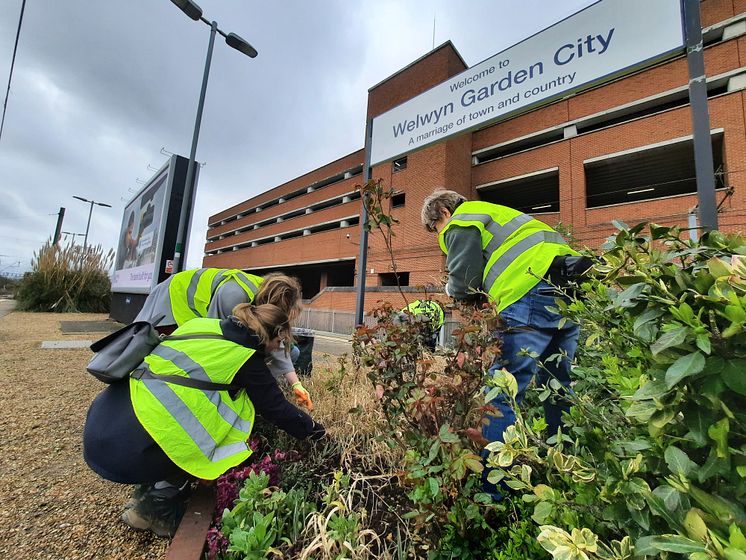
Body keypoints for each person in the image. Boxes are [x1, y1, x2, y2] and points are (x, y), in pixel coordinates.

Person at [83, 302, 325, 537]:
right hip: (127, 449)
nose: (278, 347)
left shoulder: (201, 325)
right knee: (193, 446)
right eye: (279, 341)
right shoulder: (245, 359)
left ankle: (146, 490)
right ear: (271, 335)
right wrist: (317, 432)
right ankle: (157, 509)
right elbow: (277, 409)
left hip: (106, 419)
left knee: (169, 424)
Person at [421, 189, 589, 462]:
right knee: (558, 384)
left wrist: (451, 290)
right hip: (567, 291)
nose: (440, 234)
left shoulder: (463, 219)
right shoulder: (501, 215)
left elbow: (464, 280)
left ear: (443, 212)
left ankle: (496, 488)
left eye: (436, 228)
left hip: (527, 291)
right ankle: (564, 462)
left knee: (504, 390)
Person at [135, 269, 313, 411]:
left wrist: (296, 384)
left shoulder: (264, 297)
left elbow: (278, 345)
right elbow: (212, 339)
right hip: (173, 297)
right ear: (273, 303)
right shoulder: (234, 295)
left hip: (189, 301)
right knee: (147, 348)